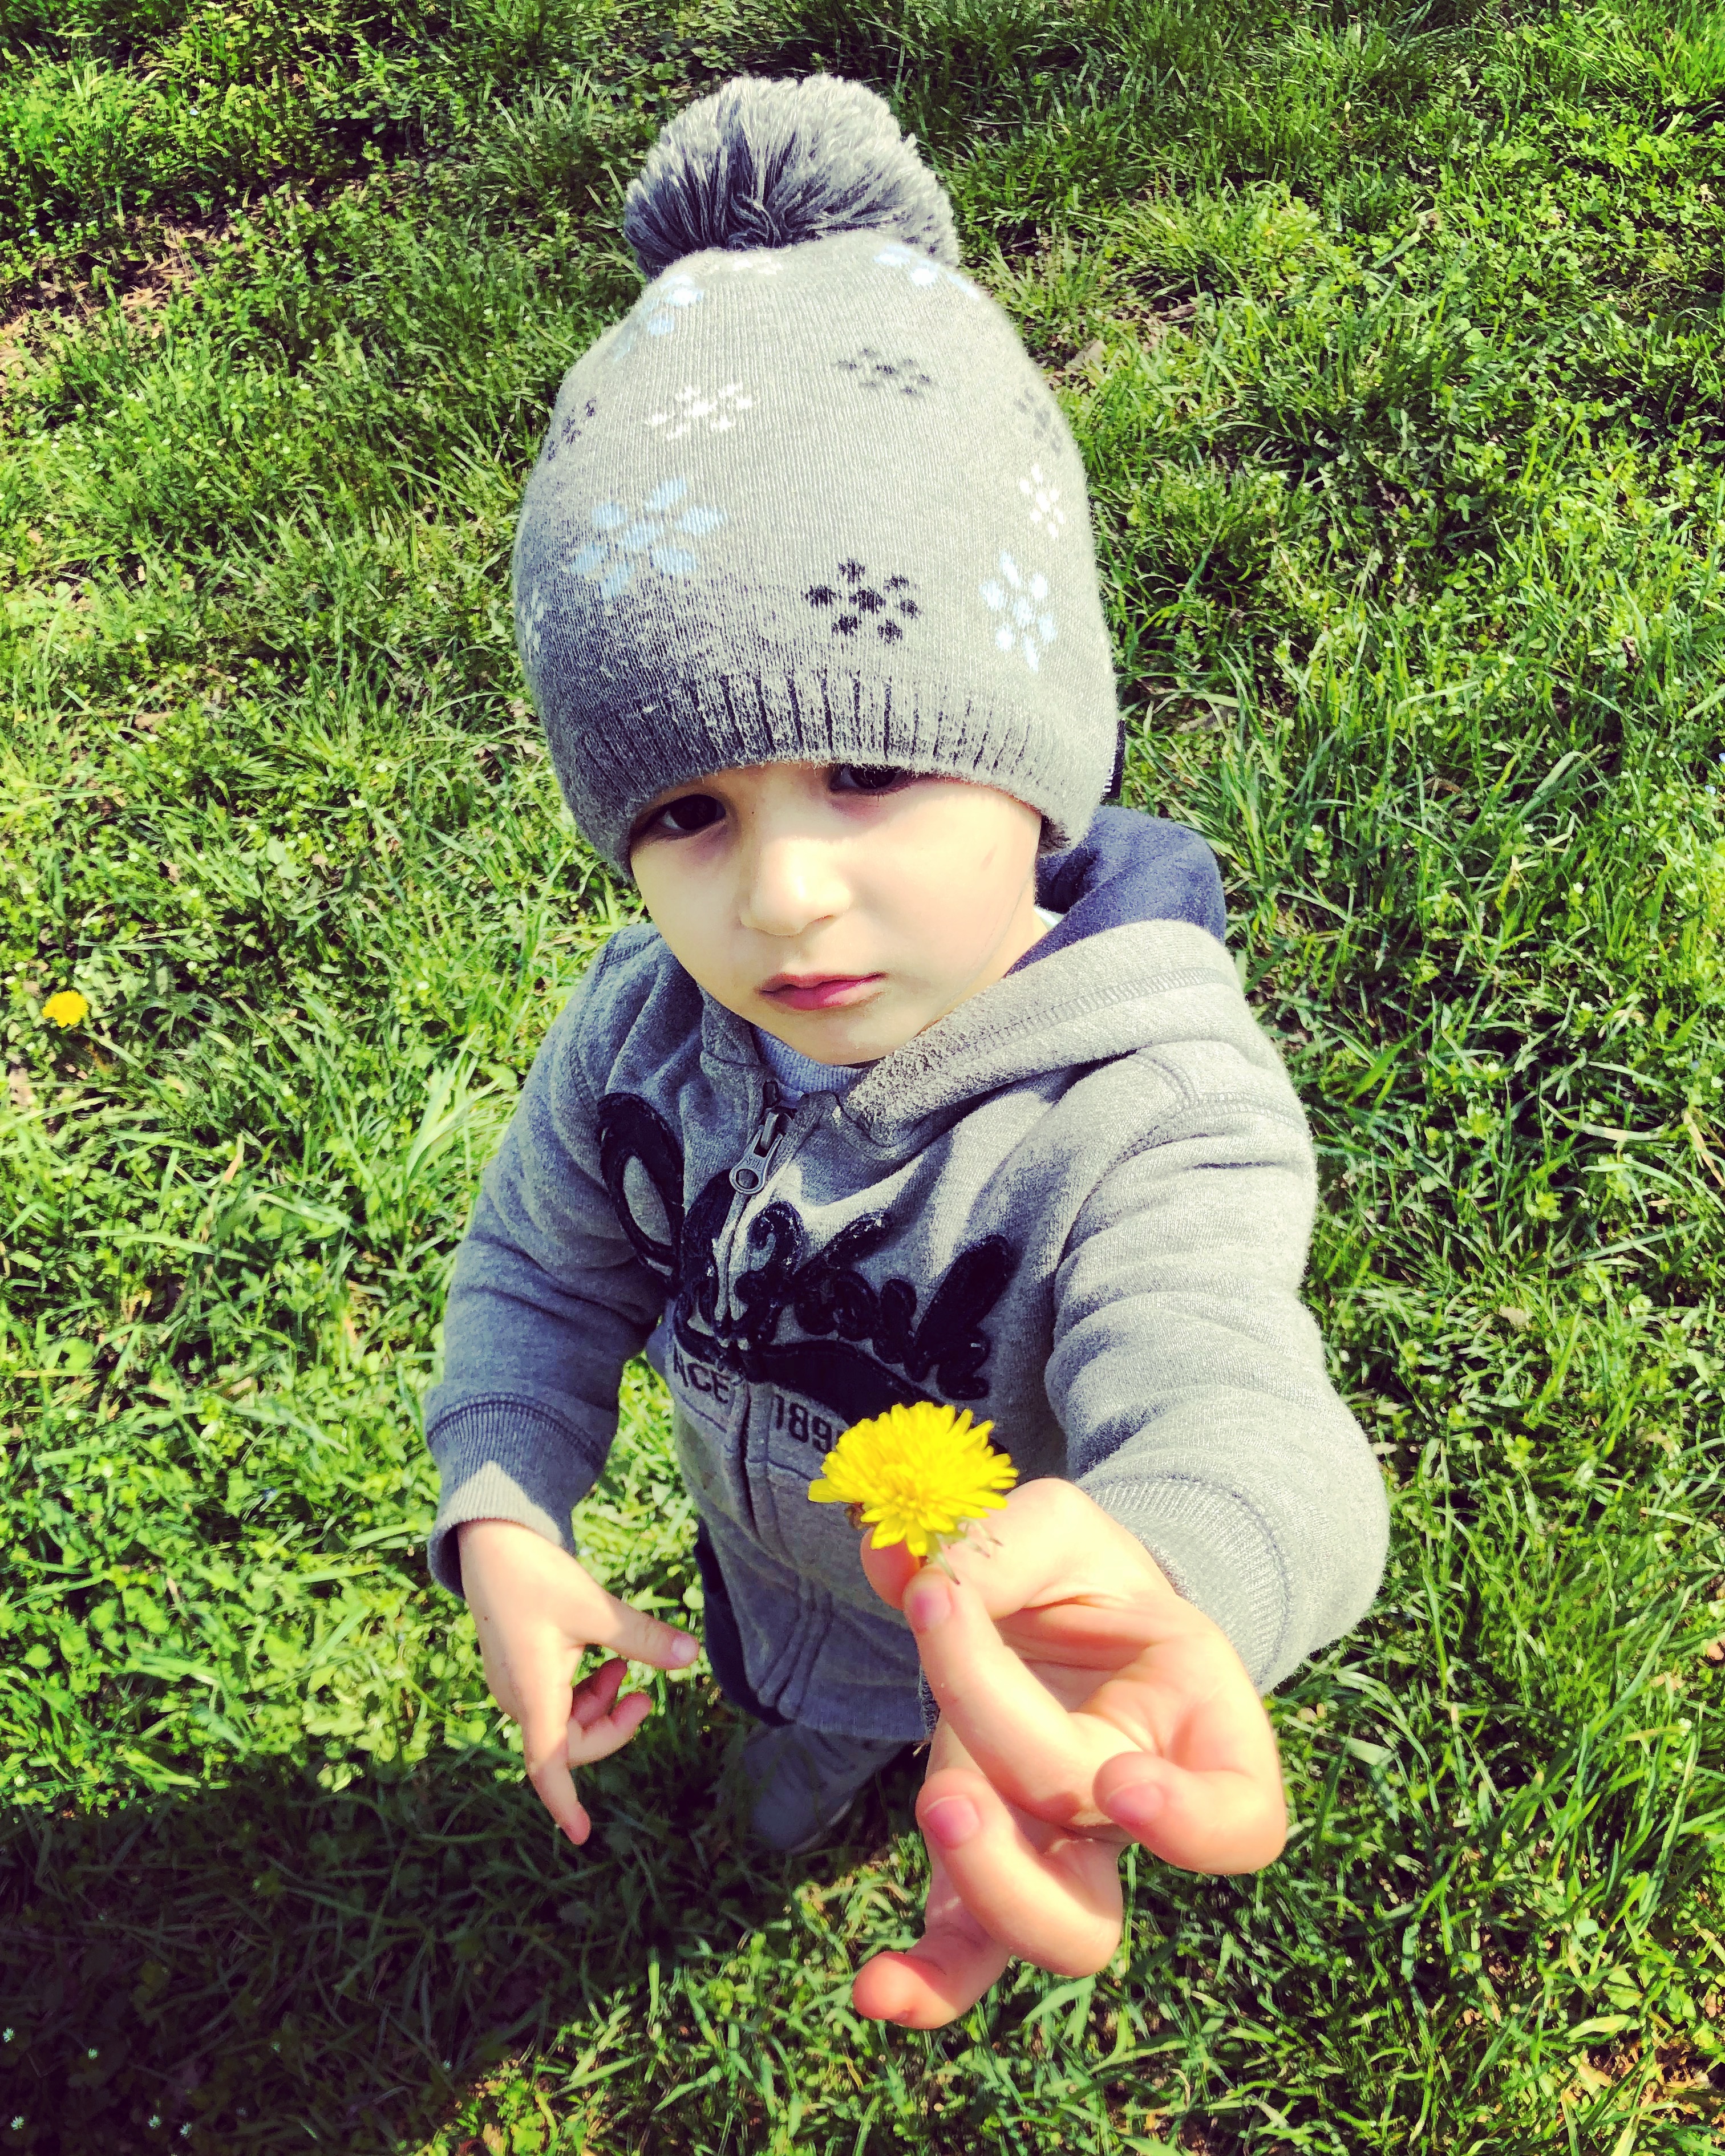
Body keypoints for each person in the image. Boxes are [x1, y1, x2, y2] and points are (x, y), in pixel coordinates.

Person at [423, 72, 1389, 2029]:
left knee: (917, 1753)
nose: (780, 898)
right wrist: (507, 1516)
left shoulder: (1148, 1107)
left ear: (1041, 766)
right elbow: (540, 1267)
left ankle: (874, 1787)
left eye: (867, 770)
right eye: (687, 809)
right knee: (782, 1778)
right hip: (762, 1592)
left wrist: (1174, 1570)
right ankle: (789, 1788)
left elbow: (1243, 1406)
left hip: (1005, 1639)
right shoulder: (645, 1032)